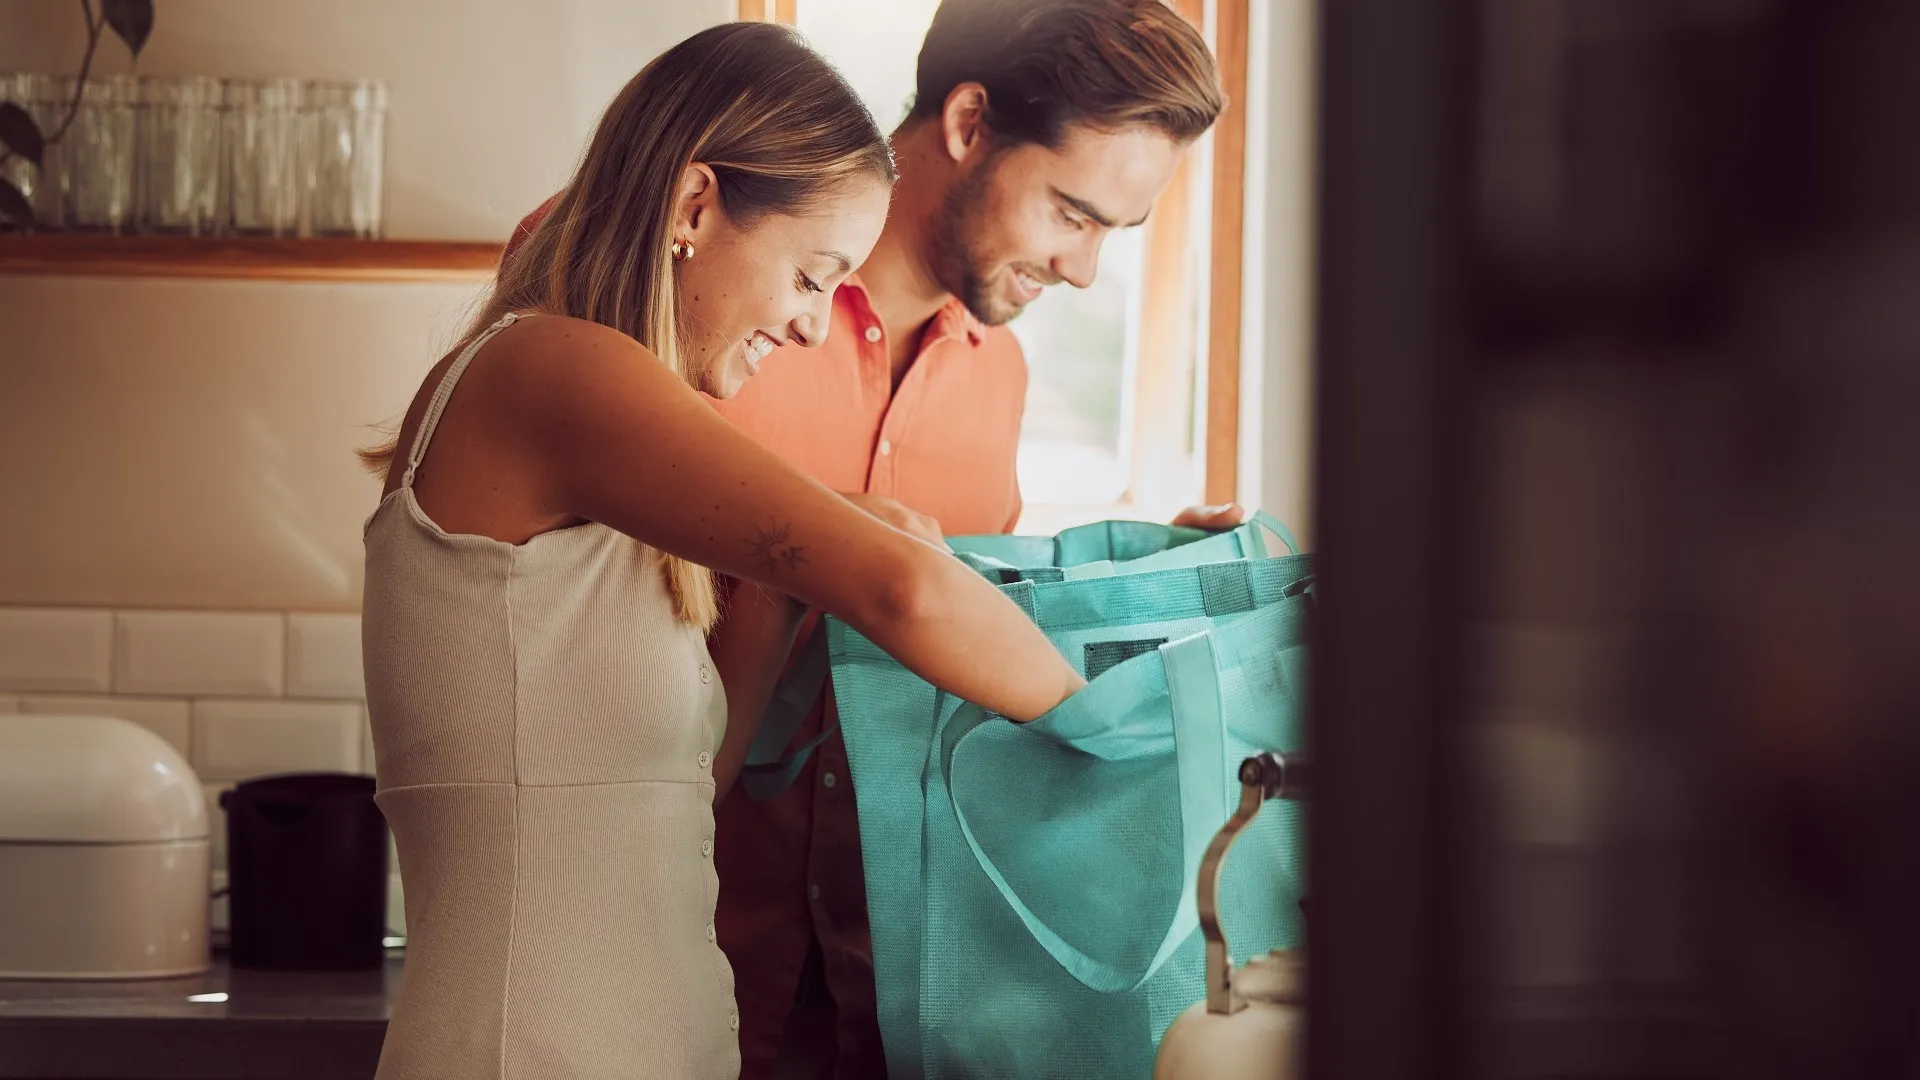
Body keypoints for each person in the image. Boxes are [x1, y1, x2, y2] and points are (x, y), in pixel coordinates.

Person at [506, 3, 1233, 1074]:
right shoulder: (675, 274)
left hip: (886, 999)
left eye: (1112, 236)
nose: (1083, 270)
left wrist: (1133, 583)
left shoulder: (999, 375)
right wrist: (1136, 741)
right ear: (970, 121)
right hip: (632, 975)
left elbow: (942, 664)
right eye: (1073, 213)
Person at [358, 22, 1085, 1080]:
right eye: (808, 276)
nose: (806, 327)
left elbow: (687, 789)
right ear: (696, 205)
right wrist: (1124, 744)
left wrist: (783, 597)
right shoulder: (548, 371)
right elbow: (908, 592)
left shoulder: (611, 469)